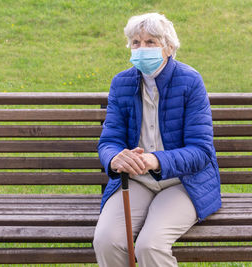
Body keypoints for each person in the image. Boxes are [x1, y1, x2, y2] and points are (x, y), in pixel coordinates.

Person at [93, 13, 221, 267]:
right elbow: (109, 141)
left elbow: (201, 151)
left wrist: (155, 160)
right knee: (106, 240)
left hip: (184, 182)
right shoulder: (122, 83)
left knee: (150, 245)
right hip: (137, 181)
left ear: (169, 47)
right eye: (136, 42)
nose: (142, 48)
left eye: (151, 42)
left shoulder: (190, 81)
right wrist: (115, 158)